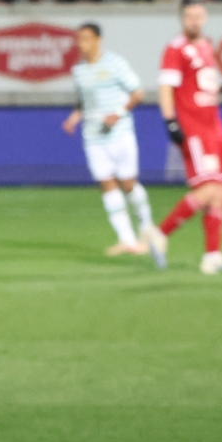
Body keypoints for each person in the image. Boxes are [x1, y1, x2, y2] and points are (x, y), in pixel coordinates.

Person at [62, 23, 164, 265]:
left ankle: (147, 227)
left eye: (87, 38)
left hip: (119, 134)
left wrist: (117, 114)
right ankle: (127, 240)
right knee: (106, 184)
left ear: (98, 40)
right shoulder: (78, 69)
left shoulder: (115, 63)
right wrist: (74, 118)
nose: (82, 44)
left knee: (127, 184)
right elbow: (84, 101)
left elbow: (138, 92)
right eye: (79, 39)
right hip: (93, 136)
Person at [156, 0, 222, 274]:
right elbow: (166, 87)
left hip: (213, 126)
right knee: (207, 189)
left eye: (198, 16)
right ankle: (160, 234)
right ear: (182, 19)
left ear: (204, 18)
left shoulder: (205, 46)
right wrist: (170, 121)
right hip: (194, 128)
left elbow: (201, 84)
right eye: (189, 16)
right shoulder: (175, 48)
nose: (194, 21)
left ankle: (212, 256)